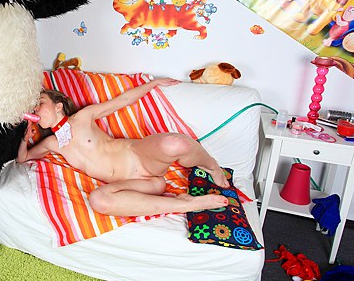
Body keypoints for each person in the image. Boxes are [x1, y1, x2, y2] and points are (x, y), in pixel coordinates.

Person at [16, 78, 229, 217]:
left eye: (40, 102)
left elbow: (123, 101)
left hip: (138, 157)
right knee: (98, 200)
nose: (35, 109)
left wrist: (153, 83)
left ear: (58, 106)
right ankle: (186, 204)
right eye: (33, 108)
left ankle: (212, 166)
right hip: (139, 185)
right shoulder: (52, 144)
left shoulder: (82, 117)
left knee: (175, 143)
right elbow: (23, 159)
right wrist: (25, 139)